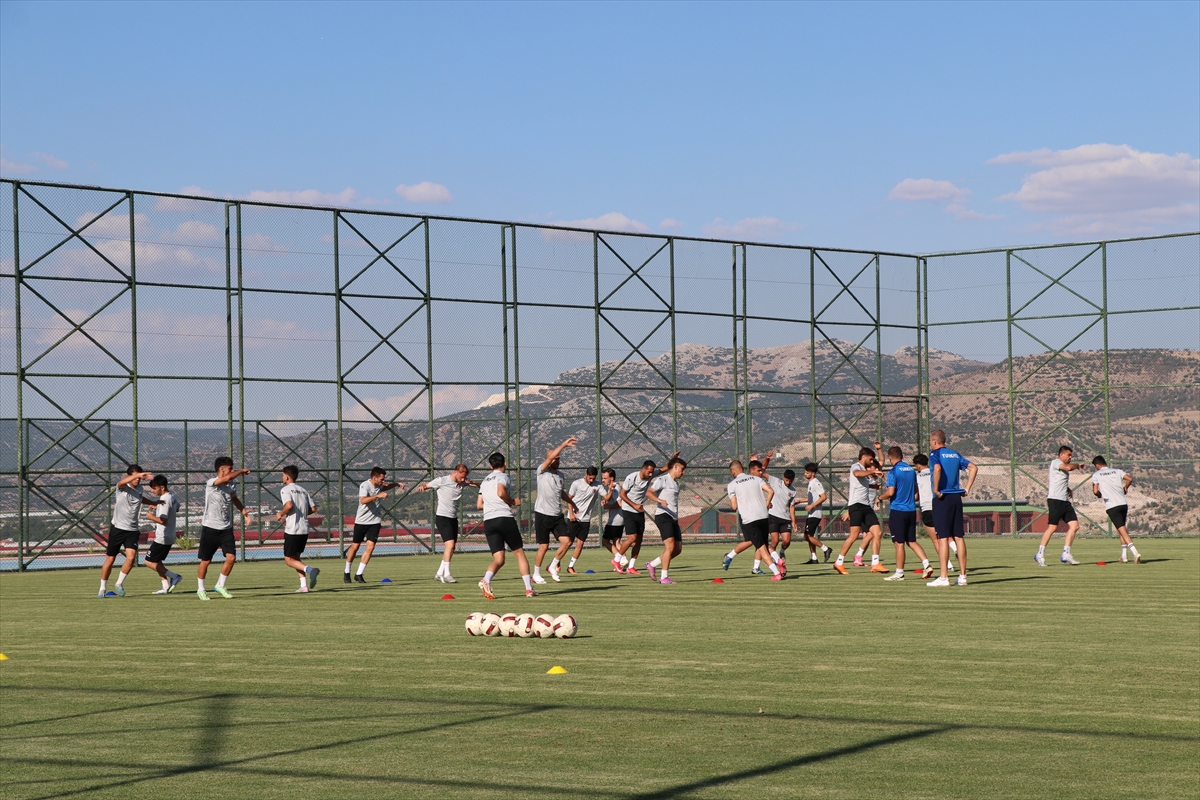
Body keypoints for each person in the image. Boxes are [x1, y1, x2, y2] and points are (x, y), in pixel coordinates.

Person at [476, 452, 536, 599]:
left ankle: (486, 580)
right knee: (519, 553)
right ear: (505, 463)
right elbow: (501, 492)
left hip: (489, 521)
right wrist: (513, 502)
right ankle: (529, 589)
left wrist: (491, 504)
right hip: (503, 518)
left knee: (499, 559)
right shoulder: (503, 476)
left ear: (490, 466)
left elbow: (479, 505)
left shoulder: (484, 481)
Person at [926, 430, 977, 587]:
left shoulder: (935, 454)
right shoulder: (955, 454)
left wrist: (935, 489)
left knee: (943, 538)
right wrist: (966, 489)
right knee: (959, 537)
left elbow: (937, 469)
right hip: (956, 498)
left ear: (935, 442)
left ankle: (943, 577)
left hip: (943, 498)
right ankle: (962, 576)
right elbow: (973, 468)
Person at [98, 464, 156, 598]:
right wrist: (138, 475)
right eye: (135, 477)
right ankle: (102, 588)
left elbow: (140, 498)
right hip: (117, 529)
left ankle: (119, 583)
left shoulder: (140, 488)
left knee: (131, 558)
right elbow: (121, 482)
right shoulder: (122, 487)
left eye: (139, 478)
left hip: (132, 530)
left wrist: (154, 502)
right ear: (129, 476)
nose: (138, 480)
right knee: (110, 559)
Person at [197, 456, 251, 600]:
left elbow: (234, 499)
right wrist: (240, 471)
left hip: (226, 528)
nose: (232, 471)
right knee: (206, 561)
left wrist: (245, 513)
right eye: (230, 468)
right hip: (210, 528)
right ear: (222, 469)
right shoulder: (212, 483)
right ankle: (201, 589)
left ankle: (220, 585)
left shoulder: (231, 485)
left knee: (231, 557)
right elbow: (223, 480)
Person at [613, 456, 675, 574]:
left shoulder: (651, 474)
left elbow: (664, 469)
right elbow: (622, 494)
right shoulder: (632, 478)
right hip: (628, 510)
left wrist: (673, 459)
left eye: (652, 472)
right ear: (643, 469)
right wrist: (634, 505)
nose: (650, 474)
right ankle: (616, 560)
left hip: (639, 511)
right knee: (632, 537)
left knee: (639, 540)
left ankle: (631, 567)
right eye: (649, 471)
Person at [878, 447, 933, 581]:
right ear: (902, 456)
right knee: (912, 541)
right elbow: (915, 495)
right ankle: (927, 565)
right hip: (911, 510)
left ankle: (899, 573)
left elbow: (890, 492)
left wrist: (880, 498)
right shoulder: (911, 471)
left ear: (890, 458)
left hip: (898, 511)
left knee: (899, 543)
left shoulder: (893, 471)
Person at [417, 464, 477, 584]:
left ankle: (439, 573)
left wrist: (472, 482)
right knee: (449, 545)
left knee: (452, 547)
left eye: (464, 477)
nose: (462, 479)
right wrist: (423, 487)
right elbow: (427, 485)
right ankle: (447, 574)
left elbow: (478, 485)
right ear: (455, 472)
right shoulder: (441, 481)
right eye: (461, 476)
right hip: (442, 517)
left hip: (453, 518)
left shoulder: (463, 482)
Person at [832, 448, 887, 575]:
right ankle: (839, 562)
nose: (871, 461)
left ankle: (875, 563)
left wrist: (874, 485)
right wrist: (873, 471)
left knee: (877, 532)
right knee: (854, 536)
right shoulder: (855, 466)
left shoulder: (866, 473)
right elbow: (857, 474)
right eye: (871, 459)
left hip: (866, 506)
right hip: (856, 505)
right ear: (864, 457)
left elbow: (863, 484)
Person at [345, 467, 403, 584]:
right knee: (355, 547)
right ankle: (347, 571)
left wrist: (396, 484)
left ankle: (359, 574)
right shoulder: (365, 485)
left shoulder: (380, 485)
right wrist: (377, 496)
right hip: (361, 522)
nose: (383, 481)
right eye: (381, 479)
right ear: (374, 478)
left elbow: (386, 487)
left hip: (374, 522)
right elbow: (363, 500)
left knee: (370, 547)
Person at [726, 460, 782, 580]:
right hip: (763, 516)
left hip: (750, 519)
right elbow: (771, 491)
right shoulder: (756, 479)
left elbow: (734, 506)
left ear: (733, 471)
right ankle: (778, 560)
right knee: (765, 544)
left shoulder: (732, 484)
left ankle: (776, 572)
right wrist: (767, 503)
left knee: (761, 547)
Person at [533, 438, 579, 584]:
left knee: (567, 542)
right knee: (544, 546)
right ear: (549, 460)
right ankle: (536, 574)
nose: (558, 460)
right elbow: (552, 456)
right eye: (555, 458)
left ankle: (552, 566)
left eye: (559, 458)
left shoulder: (560, 475)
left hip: (557, 515)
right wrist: (564, 445)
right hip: (542, 514)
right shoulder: (542, 471)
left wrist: (571, 502)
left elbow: (561, 492)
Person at [1037, 445, 1087, 566]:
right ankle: (1040, 554)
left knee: (1075, 526)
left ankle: (1066, 553)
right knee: (1053, 528)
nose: (1070, 457)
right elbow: (1069, 468)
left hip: (1064, 501)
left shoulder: (1062, 466)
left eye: (1071, 455)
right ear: (1061, 455)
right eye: (1069, 455)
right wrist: (1078, 465)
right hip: (1055, 500)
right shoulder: (1056, 462)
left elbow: (1059, 480)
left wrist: (1068, 489)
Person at [276, 465, 320, 593]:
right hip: (304, 529)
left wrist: (281, 513)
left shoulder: (285, 490)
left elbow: (289, 505)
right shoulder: (303, 490)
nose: (282, 477)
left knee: (289, 560)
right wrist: (300, 515)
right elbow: (313, 509)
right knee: (296, 558)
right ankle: (304, 586)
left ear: (287, 476)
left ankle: (311, 570)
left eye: (283, 475)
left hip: (293, 529)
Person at [644, 457, 687, 585]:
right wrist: (660, 501)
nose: (683, 472)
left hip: (673, 517)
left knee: (677, 549)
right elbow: (649, 493)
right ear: (675, 467)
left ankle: (652, 564)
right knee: (670, 546)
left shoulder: (676, 484)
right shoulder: (662, 480)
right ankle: (664, 578)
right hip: (663, 516)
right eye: (682, 469)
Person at [1091, 456, 1142, 564]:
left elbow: (1095, 491)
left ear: (1097, 465)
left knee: (1122, 531)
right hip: (1123, 504)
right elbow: (1130, 478)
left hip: (1112, 506)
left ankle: (1135, 552)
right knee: (1121, 529)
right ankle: (1123, 556)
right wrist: (1125, 488)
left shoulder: (1096, 475)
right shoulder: (1117, 471)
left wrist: (1100, 495)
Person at [914, 453, 958, 573]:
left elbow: (916, 496)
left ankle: (948, 565)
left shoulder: (917, 477)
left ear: (918, 466)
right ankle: (955, 549)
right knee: (946, 535)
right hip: (940, 506)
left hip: (927, 509)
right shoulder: (935, 472)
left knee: (936, 539)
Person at [143, 474, 183, 595]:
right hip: (169, 535)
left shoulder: (165, 499)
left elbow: (163, 521)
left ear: (162, 487)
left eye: (154, 488)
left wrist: (151, 517)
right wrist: (157, 506)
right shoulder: (171, 496)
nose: (152, 490)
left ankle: (174, 576)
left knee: (148, 561)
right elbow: (176, 509)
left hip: (163, 536)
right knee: (157, 561)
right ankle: (165, 587)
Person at [759, 451, 796, 574]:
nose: (788, 482)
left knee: (787, 541)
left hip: (785, 518)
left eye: (790, 481)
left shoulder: (793, 491)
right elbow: (762, 471)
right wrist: (767, 458)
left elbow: (791, 506)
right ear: (783, 478)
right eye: (786, 480)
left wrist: (794, 521)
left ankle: (781, 552)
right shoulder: (775, 481)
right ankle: (774, 561)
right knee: (774, 540)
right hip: (773, 516)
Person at [562, 467, 602, 574]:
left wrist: (611, 489)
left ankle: (570, 566)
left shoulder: (598, 485)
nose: (591, 481)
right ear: (586, 474)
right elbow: (568, 499)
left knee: (580, 543)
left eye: (593, 478)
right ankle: (557, 562)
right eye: (590, 478)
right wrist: (571, 514)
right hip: (573, 517)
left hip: (585, 519)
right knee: (568, 542)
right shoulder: (576, 484)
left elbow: (606, 496)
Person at [801, 463, 833, 563]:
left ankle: (826, 549)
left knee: (808, 536)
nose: (805, 474)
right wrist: (800, 501)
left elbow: (823, 497)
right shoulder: (811, 483)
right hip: (811, 514)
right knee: (809, 536)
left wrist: (812, 506)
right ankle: (814, 558)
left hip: (815, 514)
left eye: (807, 472)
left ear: (813, 473)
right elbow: (811, 498)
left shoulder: (816, 483)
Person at [600, 468, 624, 561]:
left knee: (605, 541)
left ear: (612, 478)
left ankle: (619, 559)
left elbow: (620, 503)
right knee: (617, 542)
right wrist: (607, 502)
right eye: (602, 478)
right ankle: (624, 563)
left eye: (605, 478)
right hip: (620, 519)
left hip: (615, 520)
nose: (603, 480)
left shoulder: (615, 488)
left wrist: (607, 506)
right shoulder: (615, 488)